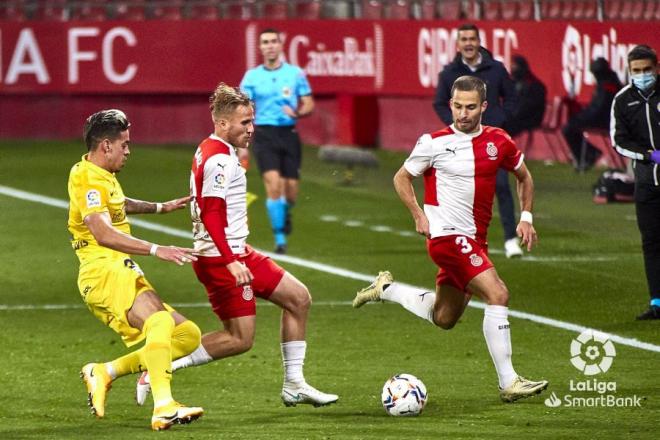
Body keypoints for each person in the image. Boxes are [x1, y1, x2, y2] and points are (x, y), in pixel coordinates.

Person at [134, 84, 337, 407]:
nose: (252, 129)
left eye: (252, 121)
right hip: (221, 258)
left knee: (298, 299)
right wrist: (230, 260)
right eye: (245, 123)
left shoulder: (211, 148)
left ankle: (294, 384)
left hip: (236, 252)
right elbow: (212, 214)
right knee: (239, 339)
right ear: (223, 123)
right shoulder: (219, 161)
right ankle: (159, 367)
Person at [355, 76, 548, 402]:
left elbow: (524, 177)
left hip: (476, 241)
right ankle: (509, 382)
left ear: (484, 107)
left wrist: (526, 217)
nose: (462, 113)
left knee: (444, 317)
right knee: (498, 294)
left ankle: (386, 289)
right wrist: (418, 214)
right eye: (457, 106)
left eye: (470, 107)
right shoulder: (433, 142)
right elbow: (401, 178)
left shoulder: (498, 141)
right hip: (447, 237)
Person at [68, 109, 203, 430]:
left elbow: (117, 202)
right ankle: (164, 406)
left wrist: (159, 207)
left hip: (114, 267)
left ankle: (106, 371)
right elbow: (101, 232)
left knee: (186, 336)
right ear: (105, 146)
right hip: (103, 268)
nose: (128, 151)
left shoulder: (100, 175)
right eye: (124, 145)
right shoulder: (86, 177)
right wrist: (158, 249)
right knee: (157, 321)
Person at [433, 23, 523, 259]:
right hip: (460, 141)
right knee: (462, 190)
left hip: (490, 139)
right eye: (464, 39)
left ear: (479, 41)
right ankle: (464, 239)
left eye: (472, 39)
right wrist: (453, 123)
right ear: (458, 44)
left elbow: (512, 97)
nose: (468, 43)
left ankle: (510, 239)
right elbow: (439, 102)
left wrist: (500, 118)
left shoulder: (496, 69)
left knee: (501, 186)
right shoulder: (449, 74)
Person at [240, 28, 314, 254]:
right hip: (264, 135)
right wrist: (242, 145)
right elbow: (242, 110)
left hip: (289, 134)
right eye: (265, 42)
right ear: (260, 47)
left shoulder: (295, 74)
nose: (270, 45)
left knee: (290, 192)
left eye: (273, 41)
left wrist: (299, 113)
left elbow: (308, 102)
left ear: (281, 46)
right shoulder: (251, 77)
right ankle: (280, 239)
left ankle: (285, 212)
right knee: (273, 186)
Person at [610, 45, 660, 320]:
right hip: (646, 182)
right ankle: (657, 301)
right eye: (636, 71)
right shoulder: (622, 100)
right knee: (651, 242)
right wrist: (648, 155)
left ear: (657, 68)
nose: (641, 75)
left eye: (646, 70)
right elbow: (618, 141)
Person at [562, 57, 622, 171]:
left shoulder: (608, 85)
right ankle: (589, 154)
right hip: (602, 118)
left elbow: (599, 109)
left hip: (607, 121)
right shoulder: (607, 82)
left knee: (569, 128)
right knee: (571, 126)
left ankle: (587, 156)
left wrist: (582, 117)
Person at [505, 55, 547, 137]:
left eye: (515, 67)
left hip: (531, 119)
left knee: (505, 126)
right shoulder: (515, 83)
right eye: (512, 67)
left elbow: (527, 107)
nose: (512, 70)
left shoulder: (534, 85)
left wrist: (512, 115)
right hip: (519, 117)